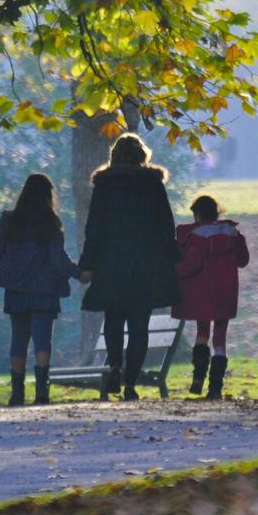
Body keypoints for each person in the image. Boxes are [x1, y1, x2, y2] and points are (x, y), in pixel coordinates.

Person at [0, 173, 87, 407]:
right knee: (43, 341)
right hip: (44, 292)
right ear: (48, 196)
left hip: (17, 290)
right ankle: (42, 392)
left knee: (18, 340)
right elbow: (58, 259)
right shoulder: (51, 224)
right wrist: (78, 274)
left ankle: (17, 393)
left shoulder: (10, 222)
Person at [78, 133, 179, 401]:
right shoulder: (153, 185)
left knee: (113, 319)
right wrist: (171, 262)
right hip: (145, 266)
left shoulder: (105, 185)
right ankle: (131, 381)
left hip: (112, 263)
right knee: (138, 325)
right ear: (142, 156)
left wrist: (87, 264)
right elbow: (165, 227)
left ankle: (114, 365)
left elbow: (94, 229)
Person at [172, 195, 249, 400]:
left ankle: (198, 378)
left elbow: (192, 264)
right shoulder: (232, 233)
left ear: (197, 214)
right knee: (220, 339)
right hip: (226, 292)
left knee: (202, 333)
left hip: (202, 292)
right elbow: (243, 260)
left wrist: (174, 271)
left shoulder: (194, 235)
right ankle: (215, 387)